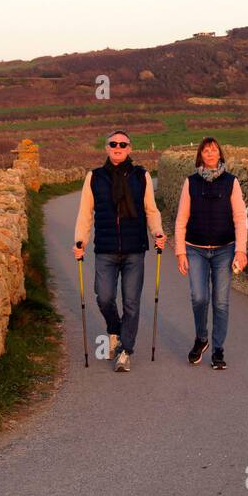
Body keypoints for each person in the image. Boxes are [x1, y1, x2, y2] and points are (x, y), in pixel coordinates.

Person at [73, 130, 165, 372]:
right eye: (113, 144)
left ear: (129, 148)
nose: (117, 147)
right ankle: (114, 330)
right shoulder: (94, 177)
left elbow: (151, 210)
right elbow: (85, 214)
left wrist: (157, 232)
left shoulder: (141, 176)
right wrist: (79, 241)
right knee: (104, 297)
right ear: (106, 148)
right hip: (105, 249)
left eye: (122, 144)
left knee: (132, 303)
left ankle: (125, 351)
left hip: (135, 249)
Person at [174, 136, 247, 370]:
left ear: (220, 154)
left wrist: (241, 250)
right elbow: (181, 219)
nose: (210, 153)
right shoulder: (191, 182)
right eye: (206, 150)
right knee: (199, 297)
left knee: (221, 302)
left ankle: (218, 350)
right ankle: (201, 338)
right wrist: (180, 252)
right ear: (200, 156)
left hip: (224, 250)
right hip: (194, 249)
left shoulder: (231, 182)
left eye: (214, 150)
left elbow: (240, 218)